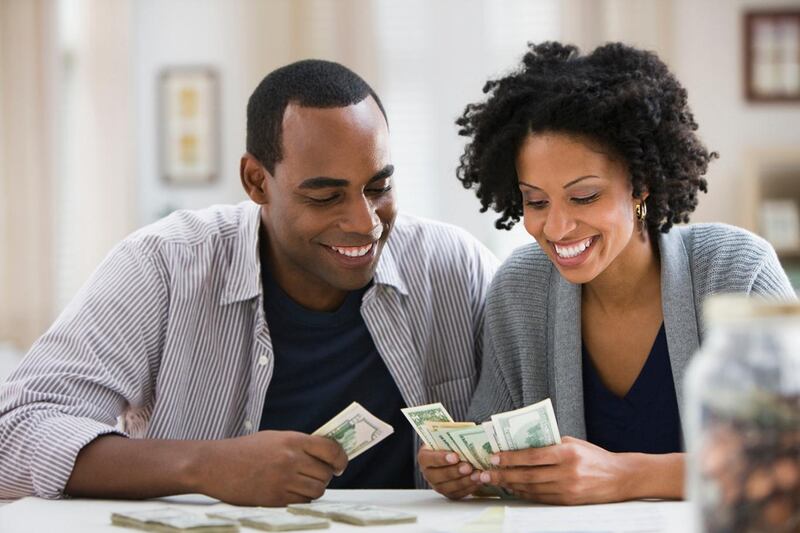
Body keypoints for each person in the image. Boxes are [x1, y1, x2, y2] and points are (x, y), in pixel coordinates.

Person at [0, 60, 498, 505]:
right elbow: (15, 433)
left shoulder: (455, 267)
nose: (364, 222)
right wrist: (204, 467)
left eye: (378, 187)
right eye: (325, 196)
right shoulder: (164, 265)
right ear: (256, 181)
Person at [418, 42, 795, 504]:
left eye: (584, 197)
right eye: (536, 202)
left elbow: (787, 458)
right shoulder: (520, 289)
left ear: (640, 185)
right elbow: (496, 453)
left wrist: (628, 476)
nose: (555, 227)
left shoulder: (735, 269)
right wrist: (464, 472)